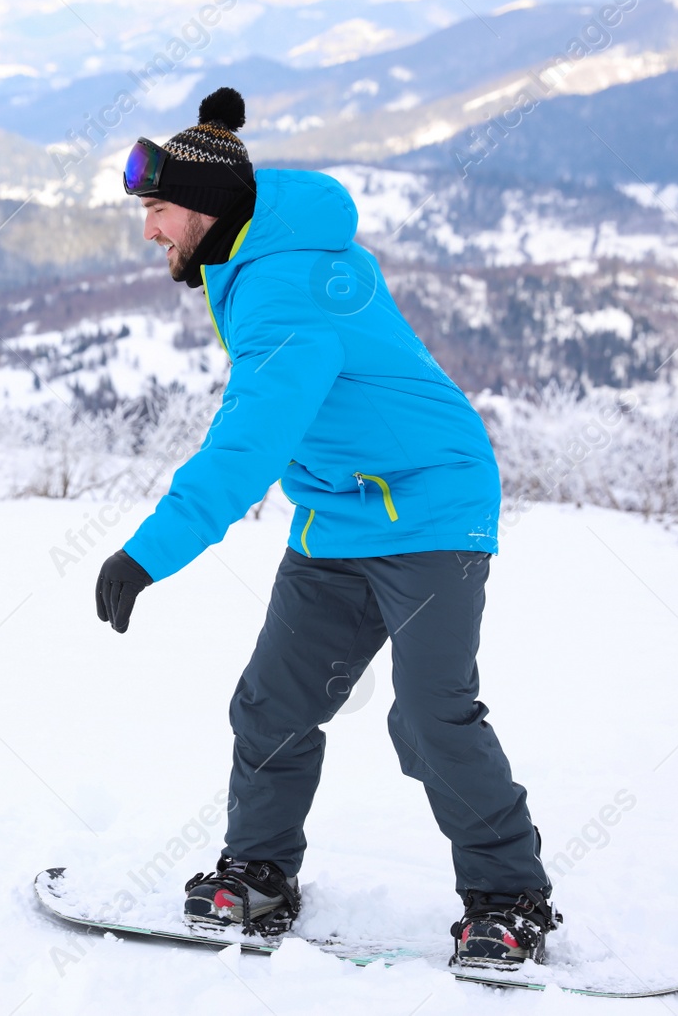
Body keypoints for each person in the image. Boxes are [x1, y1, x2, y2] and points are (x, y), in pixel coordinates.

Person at [92, 87, 559, 968]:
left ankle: (509, 899)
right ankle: (259, 872)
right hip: (338, 511)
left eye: (156, 211)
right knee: (273, 699)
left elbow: (249, 441)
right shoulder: (248, 256)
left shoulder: (281, 290)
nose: (150, 231)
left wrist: (149, 551)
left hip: (431, 507)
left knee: (429, 717)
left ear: (204, 206)